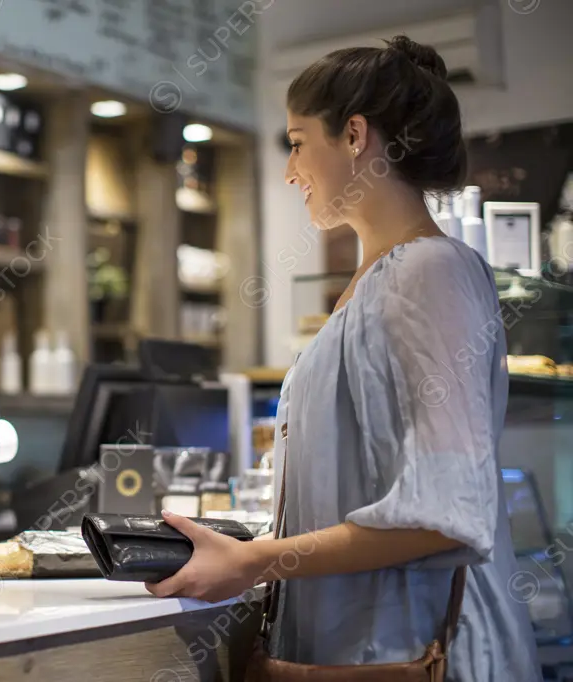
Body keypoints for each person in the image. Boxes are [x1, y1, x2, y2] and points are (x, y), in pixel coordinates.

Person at [145, 36, 542, 681]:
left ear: (355, 135)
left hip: (415, 650)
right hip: (362, 644)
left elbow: (443, 516)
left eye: (297, 142)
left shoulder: (430, 271)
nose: (289, 169)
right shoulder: (381, 277)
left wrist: (257, 560)